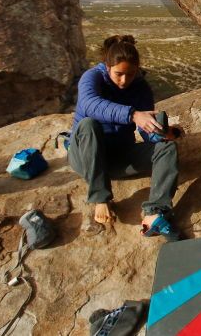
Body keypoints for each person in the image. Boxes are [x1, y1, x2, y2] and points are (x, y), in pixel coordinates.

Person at [68, 35, 182, 240]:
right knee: (89, 125)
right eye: (118, 74)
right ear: (107, 66)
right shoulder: (92, 78)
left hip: (118, 157)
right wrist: (133, 114)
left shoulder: (141, 88)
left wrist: (159, 133)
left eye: (130, 74)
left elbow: (146, 133)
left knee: (166, 148)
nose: (124, 80)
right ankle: (100, 197)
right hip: (86, 157)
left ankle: (155, 212)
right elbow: (89, 105)